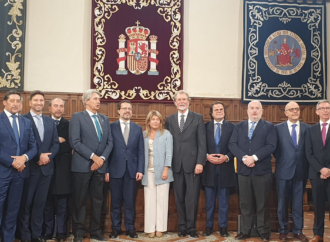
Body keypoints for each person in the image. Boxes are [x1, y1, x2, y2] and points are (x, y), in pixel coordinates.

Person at [229, 100, 277, 241]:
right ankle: (245, 231)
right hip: (244, 171)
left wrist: (254, 158)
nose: (254, 111)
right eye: (252, 108)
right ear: (247, 111)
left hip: (262, 171)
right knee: (245, 203)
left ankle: (263, 232)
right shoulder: (239, 127)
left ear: (262, 111)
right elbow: (232, 144)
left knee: (262, 203)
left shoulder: (269, 127)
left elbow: (271, 146)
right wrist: (244, 158)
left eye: (257, 108)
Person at [69, 89, 113, 242]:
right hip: (82, 166)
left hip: (100, 166)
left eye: (99, 98)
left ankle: (96, 231)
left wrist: (101, 159)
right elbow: (75, 142)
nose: (98, 101)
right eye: (95, 98)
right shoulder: (77, 117)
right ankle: (79, 233)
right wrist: (93, 157)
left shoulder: (104, 119)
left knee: (97, 200)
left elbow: (110, 142)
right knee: (80, 201)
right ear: (86, 101)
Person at [17, 90, 60, 242]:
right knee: (26, 204)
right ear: (29, 102)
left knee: (39, 205)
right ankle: (25, 235)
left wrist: (48, 157)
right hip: (30, 168)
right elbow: (22, 145)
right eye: (36, 100)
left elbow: (55, 144)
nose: (39, 103)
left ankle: (35, 235)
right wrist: (38, 156)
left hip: (46, 169)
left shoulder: (49, 121)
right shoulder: (23, 119)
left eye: (41, 100)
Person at [165, 90, 206, 238]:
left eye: (184, 99)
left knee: (192, 197)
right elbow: (167, 142)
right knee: (179, 197)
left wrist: (200, 162)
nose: (182, 101)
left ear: (189, 102)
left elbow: (202, 143)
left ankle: (191, 227)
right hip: (175, 164)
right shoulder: (169, 119)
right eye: (179, 99)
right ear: (175, 102)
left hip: (193, 164)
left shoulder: (198, 118)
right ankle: (181, 227)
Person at [0, 91, 37, 242]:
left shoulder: (26, 122)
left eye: (18, 101)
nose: (15, 104)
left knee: (13, 211)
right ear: (4, 103)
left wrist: (24, 158)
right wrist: (13, 162)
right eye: (12, 101)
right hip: (3, 172)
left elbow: (33, 146)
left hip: (20, 174)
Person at [105, 100, 144, 239]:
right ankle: (115, 228)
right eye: (124, 108)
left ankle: (130, 228)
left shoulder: (138, 128)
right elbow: (107, 150)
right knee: (115, 202)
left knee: (129, 202)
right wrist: (107, 170)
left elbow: (141, 151)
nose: (127, 110)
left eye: (129, 108)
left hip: (132, 171)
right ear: (118, 111)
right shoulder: (111, 127)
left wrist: (140, 169)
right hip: (115, 170)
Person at [274, 102, 310, 242]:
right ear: (286, 113)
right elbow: (276, 150)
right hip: (283, 171)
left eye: (297, 109)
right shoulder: (277, 129)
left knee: (298, 203)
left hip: (301, 171)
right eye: (291, 109)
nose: (295, 111)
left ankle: (298, 230)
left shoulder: (308, 129)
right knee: (282, 202)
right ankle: (283, 231)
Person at [202, 101, 236, 237]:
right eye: (216, 110)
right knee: (209, 202)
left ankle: (223, 228)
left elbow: (235, 146)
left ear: (224, 111)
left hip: (225, 169)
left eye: (221, 109)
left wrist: (226, 157)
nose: (219, 111)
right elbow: (200, 145)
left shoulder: (232, 128)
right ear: (211, 113)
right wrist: (206, 157)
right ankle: (209, 227)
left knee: (223, 202)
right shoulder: (204, 127)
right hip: (209, 170)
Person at [43, 98, 72, 241]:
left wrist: (53, 145)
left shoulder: (69, 125)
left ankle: (61, 232)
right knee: (47, 203)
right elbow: (41, 144)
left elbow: (70, 145)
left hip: (63, 170)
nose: (58, 109)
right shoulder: (44, 122)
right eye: (55, 106)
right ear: (49, 108)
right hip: (46, 167)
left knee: (62, 204)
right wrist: (57, 141)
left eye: (61, 106)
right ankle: (48, 231)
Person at [141, 110, 173, 238]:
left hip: (163, 171)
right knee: (149, 201)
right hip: (148, 172)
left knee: (162, 200)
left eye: (157, 119)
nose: (155, 121)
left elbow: (169, 153)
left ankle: (160, 228)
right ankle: (150, 228)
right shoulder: (144, 135)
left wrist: (166, 168)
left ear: (160, 121)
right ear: (148, 121)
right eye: (152, 119)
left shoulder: (166, 134)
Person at [305, 100, 330, 242]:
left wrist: (328, 169)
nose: (325, 111)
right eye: (322, 108)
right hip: (316, 174)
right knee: (318, 206)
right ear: (317, 112)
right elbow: (308, 153)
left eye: (328, 108)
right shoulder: (310, 130)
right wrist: (321, 169)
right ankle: (318, 235)